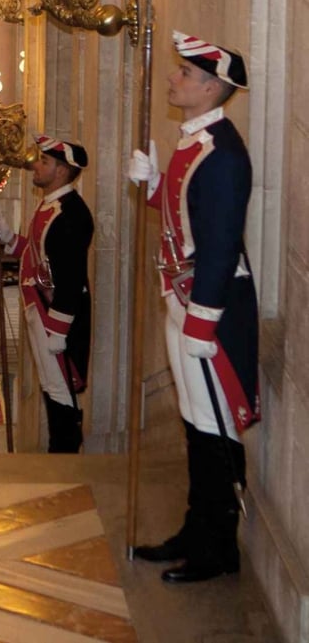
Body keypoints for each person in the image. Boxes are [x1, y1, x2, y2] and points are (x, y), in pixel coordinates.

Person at [127, 32, 259, 584]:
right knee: (194, 420)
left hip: (212, 307)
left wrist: (204, 321)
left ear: (210, 87)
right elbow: (187, 211)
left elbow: (222, 241)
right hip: (184, 297)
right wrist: (155, 183)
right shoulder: (196, 140)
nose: (173, 79)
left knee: (216, 426)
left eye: (184, 74)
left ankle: (217, 548)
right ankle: (194, 530)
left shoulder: (224, 153)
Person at [0, 135, 93, 453]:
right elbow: (37, 254)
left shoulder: (71, 213)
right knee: (51, 388)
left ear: (61, 171)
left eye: (44, 162)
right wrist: (10, 239)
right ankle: (57, 455)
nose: (36, 165)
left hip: (55, 315)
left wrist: (59, 330)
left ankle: (64, 457)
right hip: (39, 309)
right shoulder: (50, 205)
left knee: (62, 392)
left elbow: (72, 278)